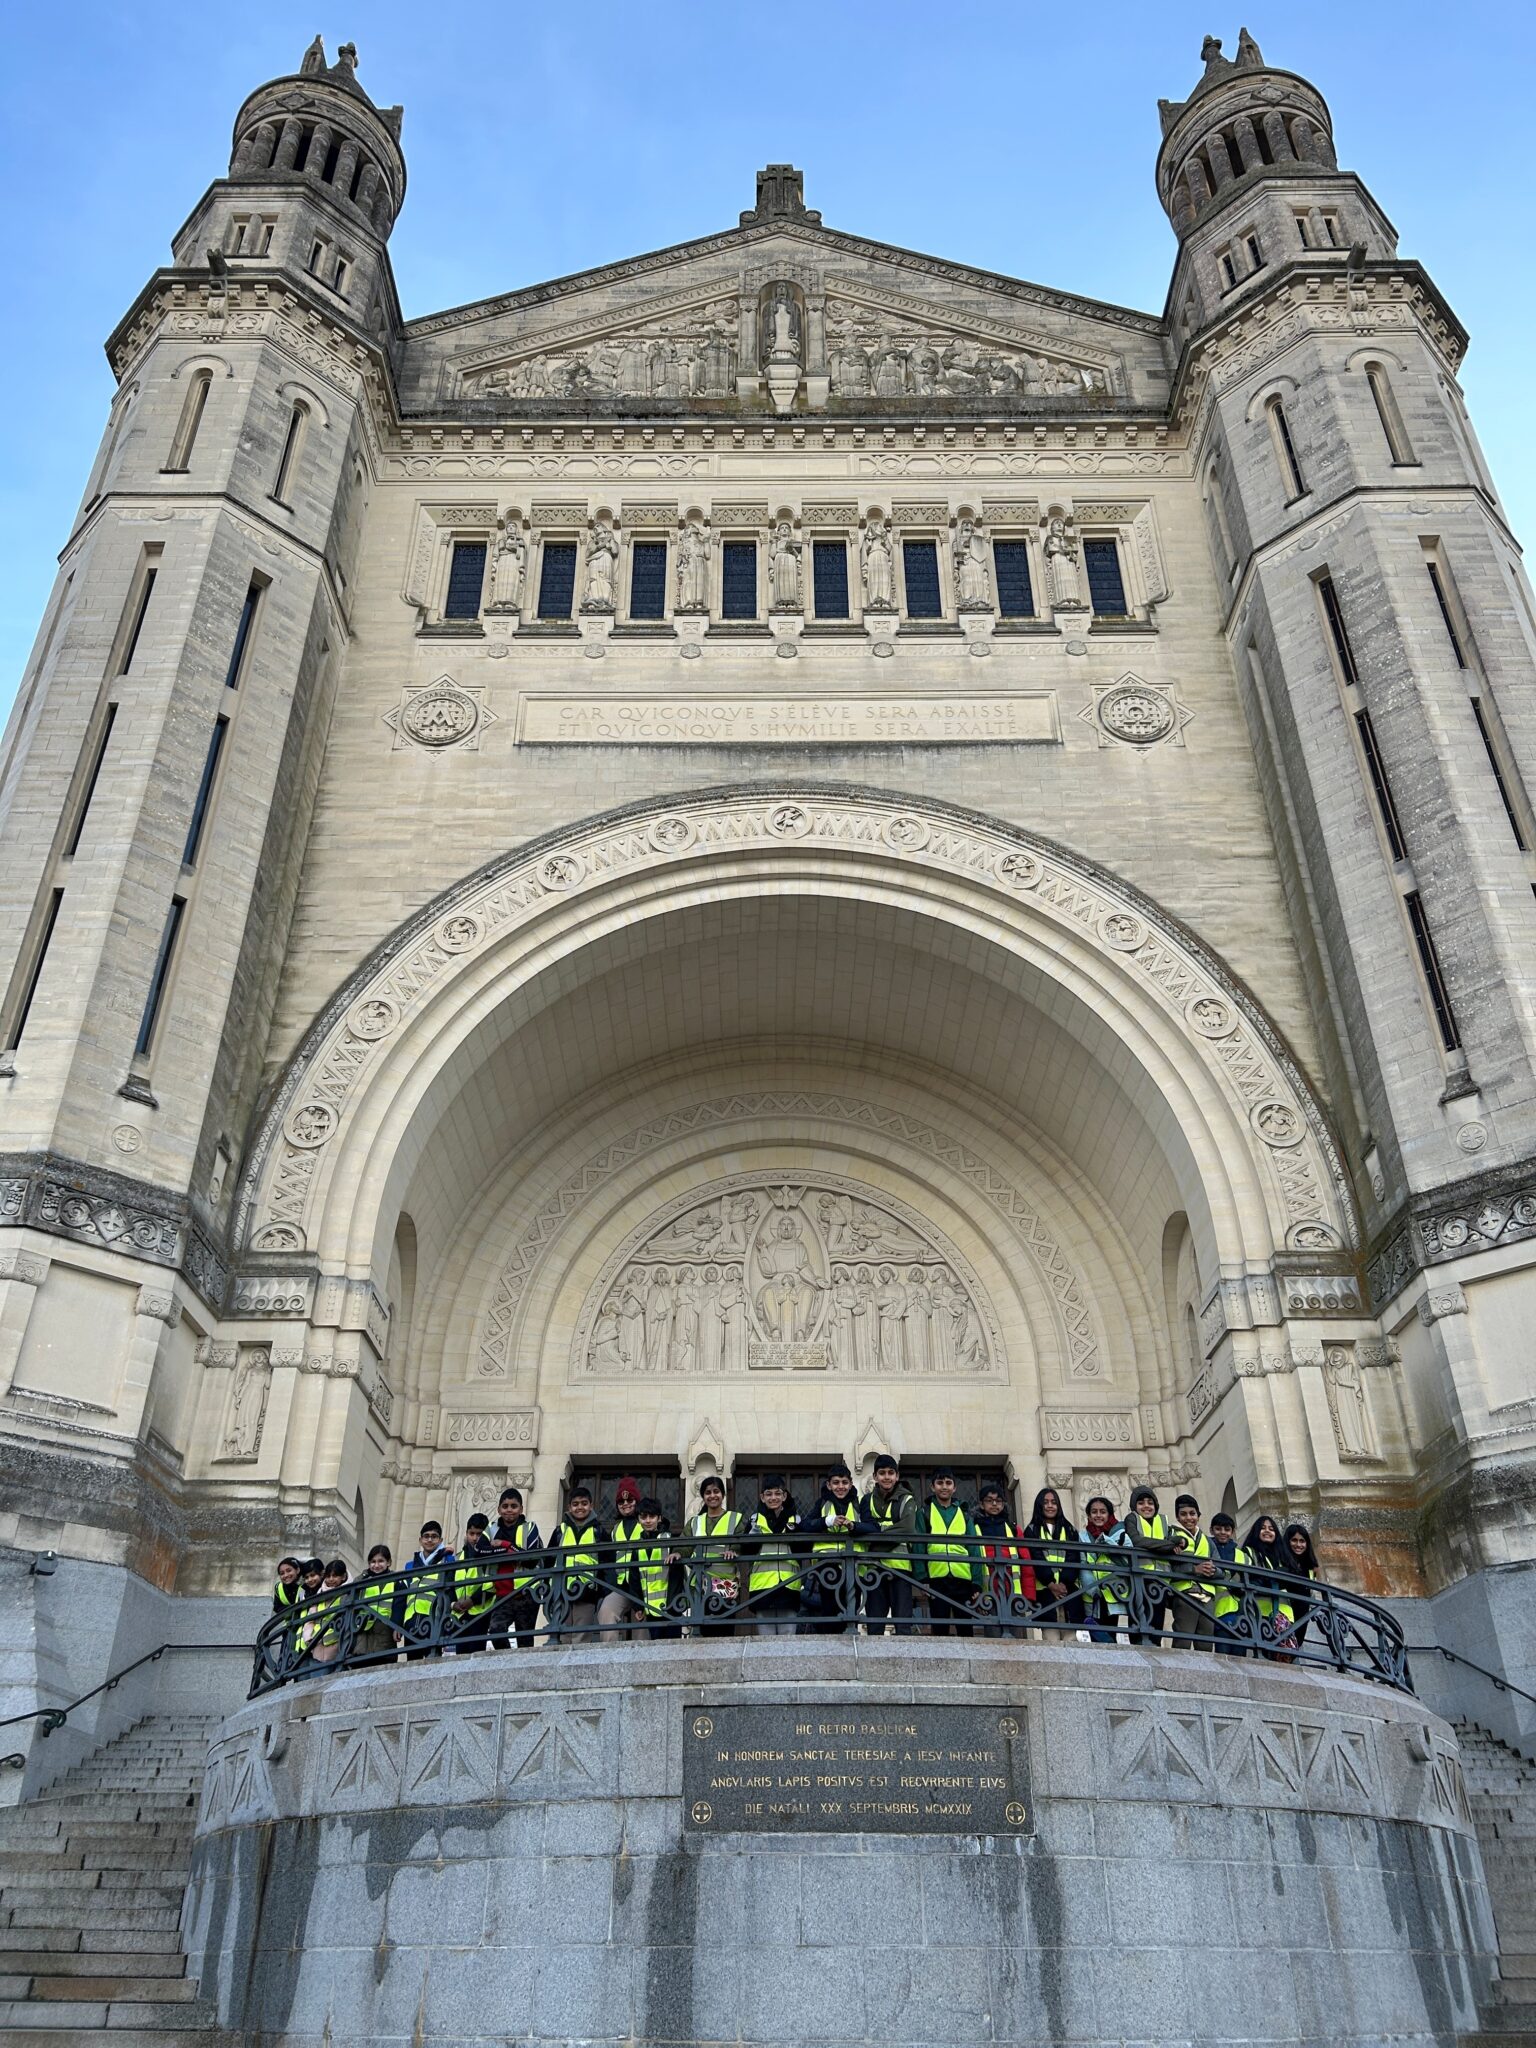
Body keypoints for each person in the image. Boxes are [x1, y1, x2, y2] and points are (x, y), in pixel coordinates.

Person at [797, 1461, 869, 1633]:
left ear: (851, 1484)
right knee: (829, 1612)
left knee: (852, 1612)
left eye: (844, 1482)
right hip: (826, 1568)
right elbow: (805, 1525)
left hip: (855, 1567)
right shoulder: (822, 1503)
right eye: (836, 1483)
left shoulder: (860, 1504)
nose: (840, 1487)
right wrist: (827, 1521)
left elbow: (873, 1527)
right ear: (829, 1485)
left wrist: (853, 1526)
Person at [921, 1470, 984, 1636]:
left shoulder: (964, 1514)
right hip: (936, 1579)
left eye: (948, 1483)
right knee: (939, 1629)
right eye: (940, 1483)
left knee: (966, 1629)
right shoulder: (925, 1512)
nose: (944, 1487)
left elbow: (974, 1549)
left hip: (963, 1579)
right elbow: (919, 1546)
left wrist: (977, 1582)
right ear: (932, 1487)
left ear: (954, 1488)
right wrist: (922, 1578)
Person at [860, 1455, 917, 1634]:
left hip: (900, 1568)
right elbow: (864, 1531)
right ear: (875, 1476)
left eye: (891, 1473)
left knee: (903, 1625)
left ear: (897, 1476)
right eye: (882, 1473)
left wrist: (876, 1539)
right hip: (873, 1569)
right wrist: (888, 1533)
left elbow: (907, 1528)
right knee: (874, 1625)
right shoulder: (866, 1500)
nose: (886, 1477)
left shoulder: (907, 1499)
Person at [1119, 1488, 1183, 1644]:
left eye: (1150, 1503)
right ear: (1134, 1506)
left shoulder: (1163, 1521)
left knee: (1157, 1625)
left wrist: (1178, 1542)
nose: (1146, 1506)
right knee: (1139, 1624)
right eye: (1141, 1503)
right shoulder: (1132, 1518)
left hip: (1161, 1581)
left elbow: (1179, 1540)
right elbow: (1137, 1541)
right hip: (1140, 1579)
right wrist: (1168, 1546)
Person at [742, 1474, 803, 1636]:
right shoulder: (754, 1520)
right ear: (762, 1497)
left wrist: (795, 1534)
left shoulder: (795, 1520)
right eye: (769, 1494)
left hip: (789, 1584)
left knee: (788, 1636)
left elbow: (804, 1550)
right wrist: (751, 1538)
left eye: (777, 1493)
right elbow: (746, 1551)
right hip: (762, 1586)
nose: (773, 1498)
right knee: (765, 1639)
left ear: (784, 1496)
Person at [974, 1482, 1035, 1636]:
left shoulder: (1013, 1528)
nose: (994, 1504)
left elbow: (1026, 1563)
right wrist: (975, 1593)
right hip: (988, 1593)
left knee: (1017, 1638)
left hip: (1014, 1593)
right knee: (993, 1637)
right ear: (981, 1504)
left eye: (998, 1500)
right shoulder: (974, 1528)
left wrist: (1028, 1595)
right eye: (989, 1500)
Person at [1022, 1488, 1083, 1636]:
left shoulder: (1070, 1529)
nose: (1050, 1506)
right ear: (1039, 1505)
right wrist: (1051, 1584)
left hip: (1068, 1590)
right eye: (1046, 1502)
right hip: (1045, 1590)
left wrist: (1063, 1583)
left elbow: (1073, 1558)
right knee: (1050, 1637)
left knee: (1071, 1639)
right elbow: (1036, 1558)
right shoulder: (1031, 1530)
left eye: (1054, 1502)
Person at [687, 1476, 743, 1635]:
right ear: (703, 1496)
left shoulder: (735, 1518)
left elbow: (741, 1541)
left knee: (726, 1632)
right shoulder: (695, 1522)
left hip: (726, 1585)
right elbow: (684, 1545)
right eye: (708, 1492)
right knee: (703, 1633)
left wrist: (734, 1550)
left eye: (716, 1491)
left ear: (723, 1495)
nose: (712, 1496)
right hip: (701, 1586)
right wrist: (677, 1553)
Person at [550, 1486, 607, 1642]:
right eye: (575, 1504)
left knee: (581, 1637)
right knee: (562, 1636)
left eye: (584, 1503)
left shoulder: (599, 1532)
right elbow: (549, 1560)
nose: (580, 1507)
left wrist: (601, 1592)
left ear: (591, 1506)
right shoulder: (559, 1531)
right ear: (569, 1507)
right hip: (561, 1591)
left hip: (587, 1592)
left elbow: (606, 1562)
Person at [487, 1487, 542, 1650]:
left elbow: (531, 1559)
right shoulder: (491, 1529)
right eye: (505, 1506)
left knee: (524, 1641)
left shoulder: (530, 1527)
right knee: (496, 1632)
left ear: (521, 1509)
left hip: (526, 1593)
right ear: (498, 1509)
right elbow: (479, 1551)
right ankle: (507, 1660)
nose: (509, 1510)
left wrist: (505, 1545)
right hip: (502, 1593)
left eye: (514, 1506)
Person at [597, 1477, 647, 1643]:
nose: (625, 1504)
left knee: (642, 1626)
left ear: (636, 1501)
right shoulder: (615, 1529)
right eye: (621, 1501)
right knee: (606, 1611)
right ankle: (610, 1654)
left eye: (630, 1500)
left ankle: (643, 1657)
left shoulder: (645, 1523)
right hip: (621, 1586)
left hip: (643, 1586)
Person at [1168, 1494, 1218, 1650]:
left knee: (1206, 1644)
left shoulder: (1208, 1541)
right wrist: (1194, 1570)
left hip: (1207, 1596)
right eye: (1183, 1514)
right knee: (1183, 1641)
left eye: (1192, 1513)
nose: (1188, 1518)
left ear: (1198, 1515)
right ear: (1177, 1517)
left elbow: (1223, 1570)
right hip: (1185, 1594)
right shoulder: (1172, 1536)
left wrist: (1213, 1571)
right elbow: (1170, 1566)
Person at [400, 1521, 455, 1660]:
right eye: (426, 1536)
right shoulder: (410, 1565)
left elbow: (450, 1590)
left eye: (434, 1536)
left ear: (440, 1540)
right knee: (411, 1662)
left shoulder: (447, 1560)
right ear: (420, 1540)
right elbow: (403, 1596)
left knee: (433, 1659)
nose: (430, 1540)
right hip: (411, 1620)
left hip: (434, 1618)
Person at [1241, 1513, 1295, 1656]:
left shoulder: (1283, 1555)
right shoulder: (1249, 1552)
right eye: (1263, 1528)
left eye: (1271, 1529)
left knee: (1285, 1657)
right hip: (1259, 1611)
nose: (1267, 1531)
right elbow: (1248, 1578)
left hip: (1284, 1614)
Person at [1079, 1497, 1128, 1643]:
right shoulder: (1082, 1536)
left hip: (1114, 1591)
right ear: (1088, 1516)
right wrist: (1092, 1588)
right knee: (1095, 1637)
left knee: (1111, 1632)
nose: (1098, 1515)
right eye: (1094, 1512)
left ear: (1109, 1514)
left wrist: (1107, 1542)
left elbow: (1128, 1559)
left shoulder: (1121, 1534)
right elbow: (1082, 1563)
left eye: (1103, 1512)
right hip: (1092, 1594)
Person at [633, 1496, 682, 1640]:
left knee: (672, 1647)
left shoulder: (670, 1540)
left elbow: (678, 1576)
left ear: (659, 1518)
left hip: (671, 1608)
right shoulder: (637, 1546)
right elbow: (634, 1577)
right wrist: (638, 1606)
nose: (648, 1520)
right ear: (638, 1520)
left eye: (652, 1516)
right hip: (650, 1610)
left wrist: (674, 1603)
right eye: (643, 1517)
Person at [450, 1513, 498, 1651]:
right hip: (459, 1614)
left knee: (476, 1653)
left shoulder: (490, 1556)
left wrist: (472, 1600)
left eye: (479, 1534)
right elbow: (449, 1585)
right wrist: (453, 1604)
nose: (475, 1538)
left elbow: (492, 1584)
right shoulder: (457, 1558)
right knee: (460, 1655)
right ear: (466, 1533)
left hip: (481, 1612)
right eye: (472, 1533)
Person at [1208, 1512, 1251, 1656]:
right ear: (1211, 1530)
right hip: (1216, 1611)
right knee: (1223, 1656)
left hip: (1241, 1613)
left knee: (1240, 1658)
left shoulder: (1242, 1555)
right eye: (1218, 1529)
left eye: (1227, 1529)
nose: (1223, 1532)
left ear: (1232, 1532)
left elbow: (1250, 1578)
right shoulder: (1206, 1548)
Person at [1276, 1523, 1321, 1659]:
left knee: (1293, 1653)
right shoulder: (1280, 1562)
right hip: (1283, 1617)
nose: (1298, 1545)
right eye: (1294, 1540)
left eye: (1302, 1541)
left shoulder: (1309, 1568)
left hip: (1302, 1617)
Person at [299, 1559, 349, 1667]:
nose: (331, 1579)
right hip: (315, 1647)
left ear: (343, 1576)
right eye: (328, 1576)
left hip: (336, 1650)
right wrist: (308, 1638)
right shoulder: (319, 1593)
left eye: (335, 1576)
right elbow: (310, 1619)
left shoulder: (348, 1593)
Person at [353, 1546, 400, 1662]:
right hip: (362, 1635)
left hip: (385, 1635)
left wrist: (397, 1627)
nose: (376, 1565)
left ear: (389, 1562)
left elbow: (399, 1606)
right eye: (373, 1562)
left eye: (381, 1561)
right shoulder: (361, 1581)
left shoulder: (396, 1581)